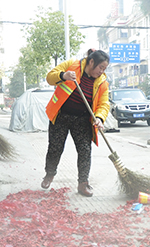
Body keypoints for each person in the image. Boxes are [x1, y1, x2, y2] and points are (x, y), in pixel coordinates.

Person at [41, 49, 110, 197]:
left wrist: (99, 118)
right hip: (61, 116)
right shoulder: (72, 65)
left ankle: (83, 183)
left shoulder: (102, 82)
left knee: (85, 151)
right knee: (55, 147)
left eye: (104, 69)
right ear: (91, 62)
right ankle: (49, 174)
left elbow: (104, 104)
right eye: (100, 67)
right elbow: (49, 78)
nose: (101, 71)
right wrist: (63, 75)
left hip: (83, 120)